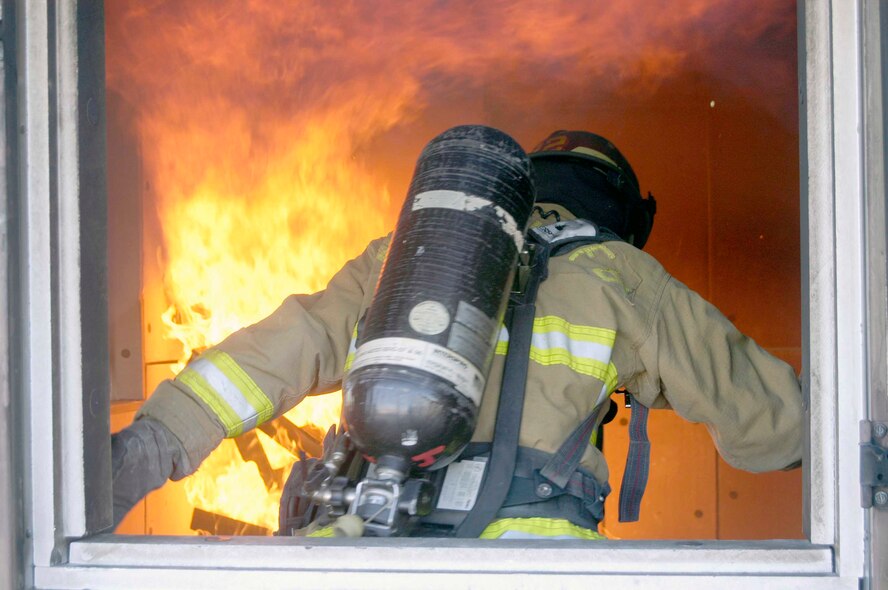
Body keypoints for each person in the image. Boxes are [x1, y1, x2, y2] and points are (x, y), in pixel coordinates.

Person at [112, 129, 803, 539]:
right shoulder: (620, 273)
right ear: (620, 208)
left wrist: (154, 442)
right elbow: (765, 421)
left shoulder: (411, 249)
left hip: (374, 545)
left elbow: (288, 345)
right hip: (534, 568)